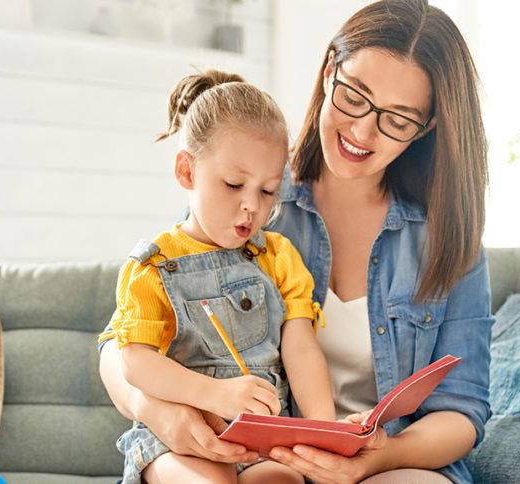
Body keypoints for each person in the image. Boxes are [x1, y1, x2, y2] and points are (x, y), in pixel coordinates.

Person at [99, 0, 493, 482]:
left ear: (426, 127)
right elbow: (121, 348)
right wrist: (158, 411)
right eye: (355, 95)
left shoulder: (448, 238)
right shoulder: (254, 195)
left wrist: (376, 457)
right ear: (330, 70)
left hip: (389, 458)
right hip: (262, 450)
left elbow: (463, 409)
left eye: (398, 119)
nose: (362, 130)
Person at [97, 70, 336, 484]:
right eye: (233, 184)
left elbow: (301, 348)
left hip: (264, 444)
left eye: (266, 191)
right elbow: (135, 363)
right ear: (187, 172)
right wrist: (216, 395)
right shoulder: (150, 268)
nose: (251, 207)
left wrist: (324, 431)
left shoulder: (278, 257)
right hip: (178, 441)